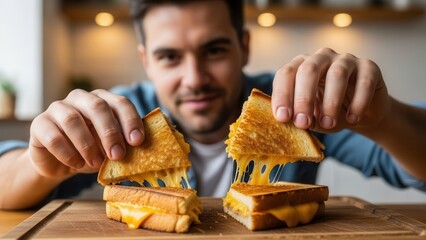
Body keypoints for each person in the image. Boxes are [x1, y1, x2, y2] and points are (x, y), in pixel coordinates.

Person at [1, 0, 425, 210]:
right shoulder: (123, 118)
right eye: (170, 57)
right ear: (146, 60)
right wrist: (38, 166)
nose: (195, 78)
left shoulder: (292, 107)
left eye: (214, 50)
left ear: (243, 47)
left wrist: (384, 119)